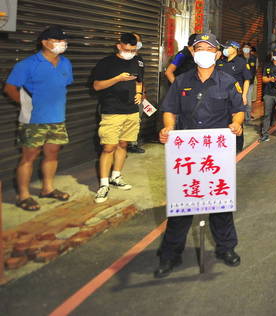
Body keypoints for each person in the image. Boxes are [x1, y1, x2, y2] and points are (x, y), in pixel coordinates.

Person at [154, 33, 244, 278]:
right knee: (182, 206)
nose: (203, 52)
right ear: (193, 53)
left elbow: (238, 111)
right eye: (199, 48)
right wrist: (168, 128)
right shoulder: (181, 81)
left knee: (220, 205)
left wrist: (236, 125)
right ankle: (170, 255)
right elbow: (169, 110)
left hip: (217, 153)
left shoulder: (227, 82)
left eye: (209, 49)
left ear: (217, 54)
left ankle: (226, 248)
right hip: (187, 152)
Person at [4, 26, 73, 211]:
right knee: (29, 156)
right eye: (58, 40)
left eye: (64, 41)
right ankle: (23, 195)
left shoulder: (66, 63)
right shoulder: (27, 64)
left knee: (52, 154)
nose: (62, 44)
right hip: (32, 120)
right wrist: (25, 105)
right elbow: (10, 88)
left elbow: (61, 86)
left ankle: (47, 189)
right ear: (44, 42)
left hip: (57, 118)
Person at [91, 33, 143, 203]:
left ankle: (116, 176)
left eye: (134, 50)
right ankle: (104, 184)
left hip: (132, 111)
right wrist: (117, 79)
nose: (131, 53)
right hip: (112, 110)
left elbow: (139, 81)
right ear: (119, 46)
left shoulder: (138, 61)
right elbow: (97, 86)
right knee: (108, 147)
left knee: (123, 144)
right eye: (128, 49)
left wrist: (139, 93)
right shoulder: (106, 63)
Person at [217, 40, 252, 152]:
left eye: (227, 47)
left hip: (236, 98)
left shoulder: (241, 62)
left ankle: (237, 150)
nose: (225, 49)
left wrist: (244, 95)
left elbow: (247, 80)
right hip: (221, 98)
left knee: (237, 124)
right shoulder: (221, 61)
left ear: (234, 48)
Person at [242, 42, 257, 123]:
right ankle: (241, 117)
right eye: (245, 47)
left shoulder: (254, 58)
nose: (246, 48)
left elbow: (255, 69)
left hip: (250, 83)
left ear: (250, 49)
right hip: (240, 83)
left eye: (248, 47)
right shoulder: (239, 57)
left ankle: (247, 118)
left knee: (248, 101)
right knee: (240, 101)